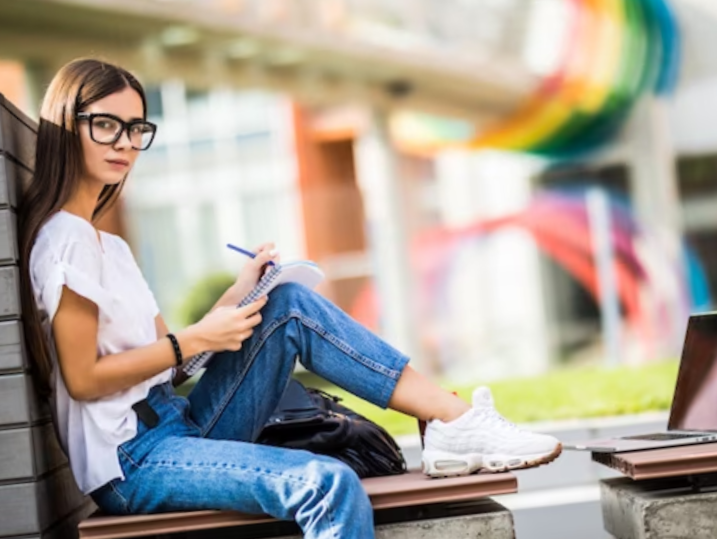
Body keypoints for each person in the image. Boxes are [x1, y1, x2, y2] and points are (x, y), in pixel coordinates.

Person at [17, 58, 562, 539]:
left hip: (174, 424)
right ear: (68, 126)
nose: (125, 144)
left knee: (287, 305)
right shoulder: (65, 239)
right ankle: (455, 422)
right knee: (327, 485)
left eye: (136, 128)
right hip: (133, 462)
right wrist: (193, 340)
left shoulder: (107, 242)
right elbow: (85, 378)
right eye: (106, 125)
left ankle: (452, 420)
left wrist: (237, 297)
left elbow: (166, 361)